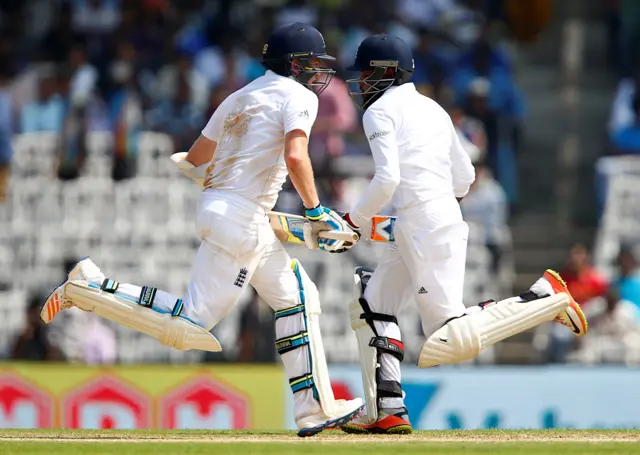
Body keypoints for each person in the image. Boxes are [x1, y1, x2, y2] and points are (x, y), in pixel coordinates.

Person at [39, 23, 362, 437]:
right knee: (189, 327)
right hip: (244, 218)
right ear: (295, 64)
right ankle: (91, 286)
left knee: (297, 296)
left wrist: (232, 181)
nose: (319, 70)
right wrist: (316, 211)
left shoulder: (237, 97)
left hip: (223, 210)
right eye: (313, 62)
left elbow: (194, 159)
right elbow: (296, 156)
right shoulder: (297, 96)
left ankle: (314, 408)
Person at [338, 34, 589, 435]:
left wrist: (353, 219)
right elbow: (466, 177)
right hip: (428, 220)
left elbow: (387, 178)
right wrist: (423, 201)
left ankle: (542, 298)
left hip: (423, 225)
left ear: (387, 72)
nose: (361, 81)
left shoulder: (379, 111)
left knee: (447, 340)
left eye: (366, 72)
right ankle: (387, 409)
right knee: (373, 306)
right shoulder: (434, 108)